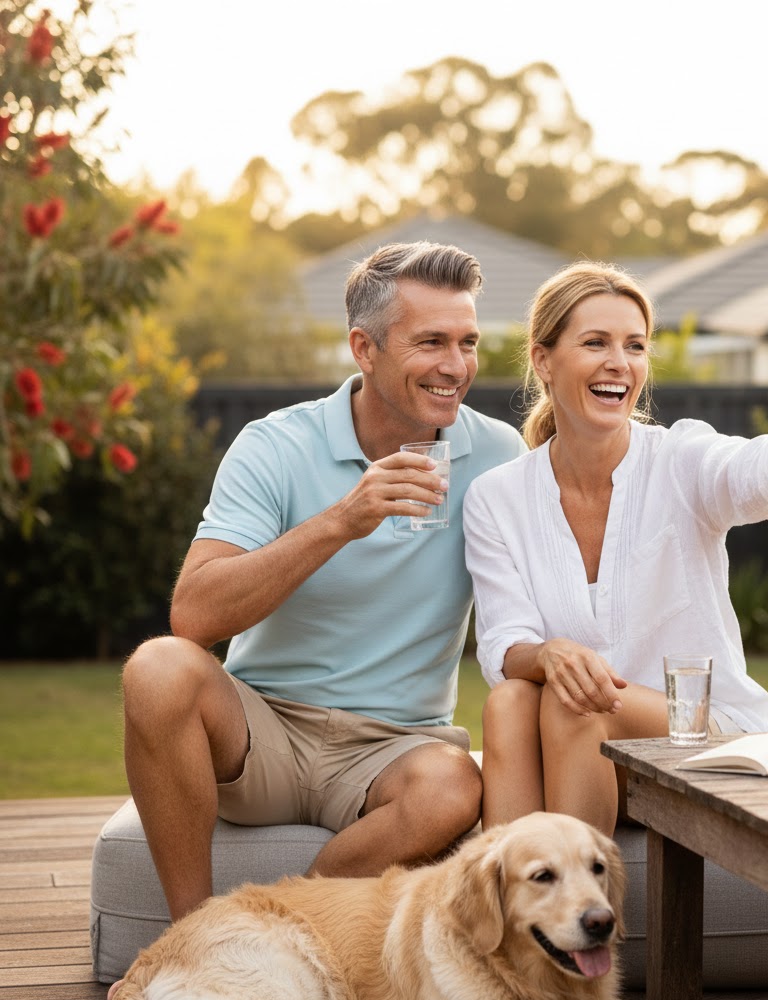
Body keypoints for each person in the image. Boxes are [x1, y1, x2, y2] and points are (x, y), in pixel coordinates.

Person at [120, 241, 527, 924]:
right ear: (364, 350)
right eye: (431, 342)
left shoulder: (495, 453)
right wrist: (341, 520)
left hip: (396, 745)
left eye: (468, 342)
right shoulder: (275, 445)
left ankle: (274, 924)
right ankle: (192, 933)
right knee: (158, 668)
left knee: (452, 787)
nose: (456, 367)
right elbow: (193, 614)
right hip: (264, 730)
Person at [463, 260, 768, 835]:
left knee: (572, 702)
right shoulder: (496, 496)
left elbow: (754, 470)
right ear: (543, 360)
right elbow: (505, 642)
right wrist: (549, 653)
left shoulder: (679, 460)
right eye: (595, 342)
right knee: (511, 702)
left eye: (635, 345)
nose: (619, 363)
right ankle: (515, 916)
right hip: (583, 746)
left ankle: (583, 916)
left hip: (704, 735)